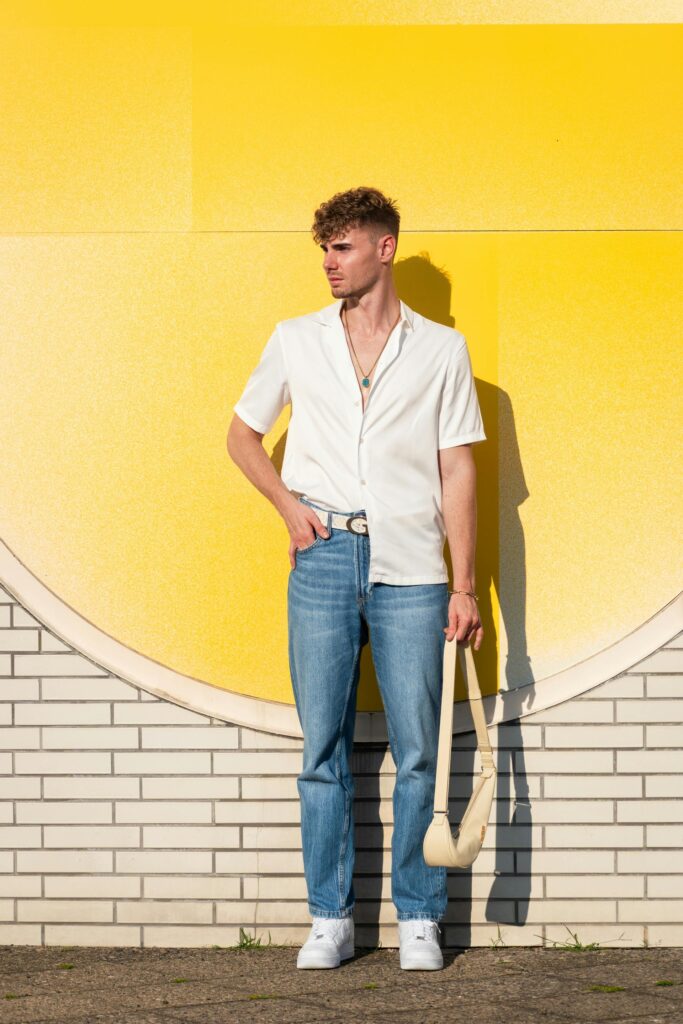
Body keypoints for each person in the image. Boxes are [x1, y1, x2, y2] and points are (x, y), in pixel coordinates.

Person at [227, 186, 486, 971]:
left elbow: (456, 468)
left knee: (416, 751)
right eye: (324, 250)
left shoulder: (441, 349)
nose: (329, 264)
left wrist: (464, 583)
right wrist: (287, 508)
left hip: (412, 565)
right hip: (325, 556)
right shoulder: (296, 339)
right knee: (322, 749)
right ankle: (330, 917)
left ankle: (417, 917)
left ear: (383, 247)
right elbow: (241, 435)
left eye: (342, 248)